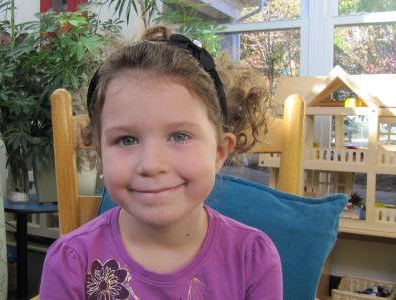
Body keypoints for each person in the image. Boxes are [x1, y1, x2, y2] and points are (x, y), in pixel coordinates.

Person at [39, 26, 283, 299]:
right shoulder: (72, 261)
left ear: (218, 151)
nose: (152, 164)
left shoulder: (253, 259)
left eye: (179, 136)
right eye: (127, 140)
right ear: (100, 153)